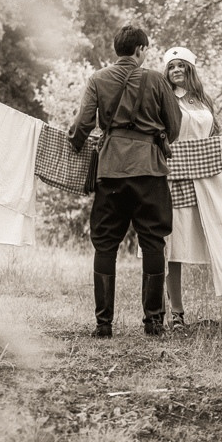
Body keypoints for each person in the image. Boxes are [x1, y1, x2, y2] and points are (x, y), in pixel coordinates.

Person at [68, 26, 182, 338]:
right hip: (149, 170)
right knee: (153, 242)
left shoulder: (98, 79)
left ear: (117, 49)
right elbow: (174, 125)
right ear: (141, 49)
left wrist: (75, 142)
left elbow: (83, 123)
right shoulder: (157, 80)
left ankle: (103, 325)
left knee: (105, 244)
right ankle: (154, 324)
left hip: (111, 170)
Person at [161, 46, 222, 331]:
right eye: (171, 67)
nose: (176, 71)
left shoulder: (203, 100)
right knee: (173, 244)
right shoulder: (165, 99)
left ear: (190, 69)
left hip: (205, 179)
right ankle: (176, 312)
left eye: (181, 66)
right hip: (176, 176)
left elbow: (214, 134)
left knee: (220, 235)